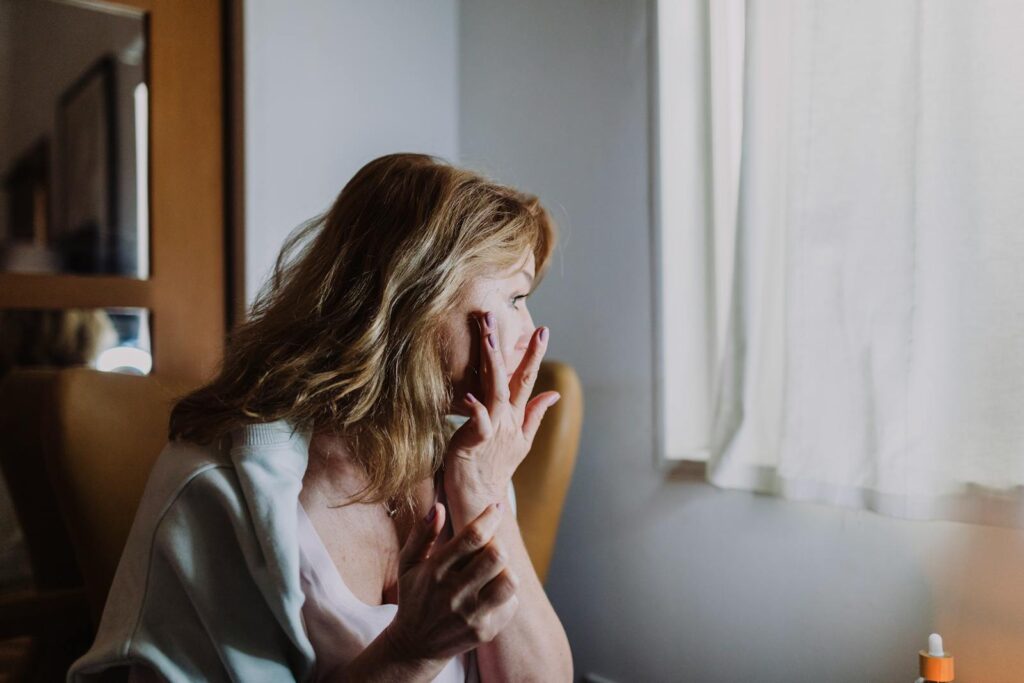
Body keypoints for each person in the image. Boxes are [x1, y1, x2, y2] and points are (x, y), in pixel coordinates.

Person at [67, 153, 574, 681]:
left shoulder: (470, 457)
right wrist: (411, 650)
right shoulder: (213, 487)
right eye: (515, 297)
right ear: (416, 296)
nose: (530, 330)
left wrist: (484, 490)